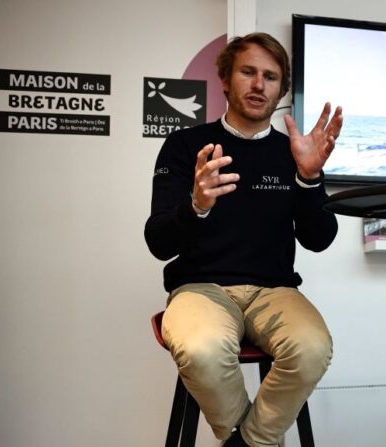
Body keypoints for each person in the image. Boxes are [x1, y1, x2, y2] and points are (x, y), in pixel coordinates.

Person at [144, 32, 342, 447]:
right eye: (248, 72)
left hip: (276, 291)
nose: (258, 85)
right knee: (200, 350)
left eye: (270, 77)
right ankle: (258, 440)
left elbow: (319, 240)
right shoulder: (185, 146)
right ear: (226, 80)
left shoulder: (294, 153)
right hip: (201, 288)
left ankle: (244, 442)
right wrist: (196, 205)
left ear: (281, 90)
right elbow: (159, 242)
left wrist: (309, 179)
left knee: (311, 349)